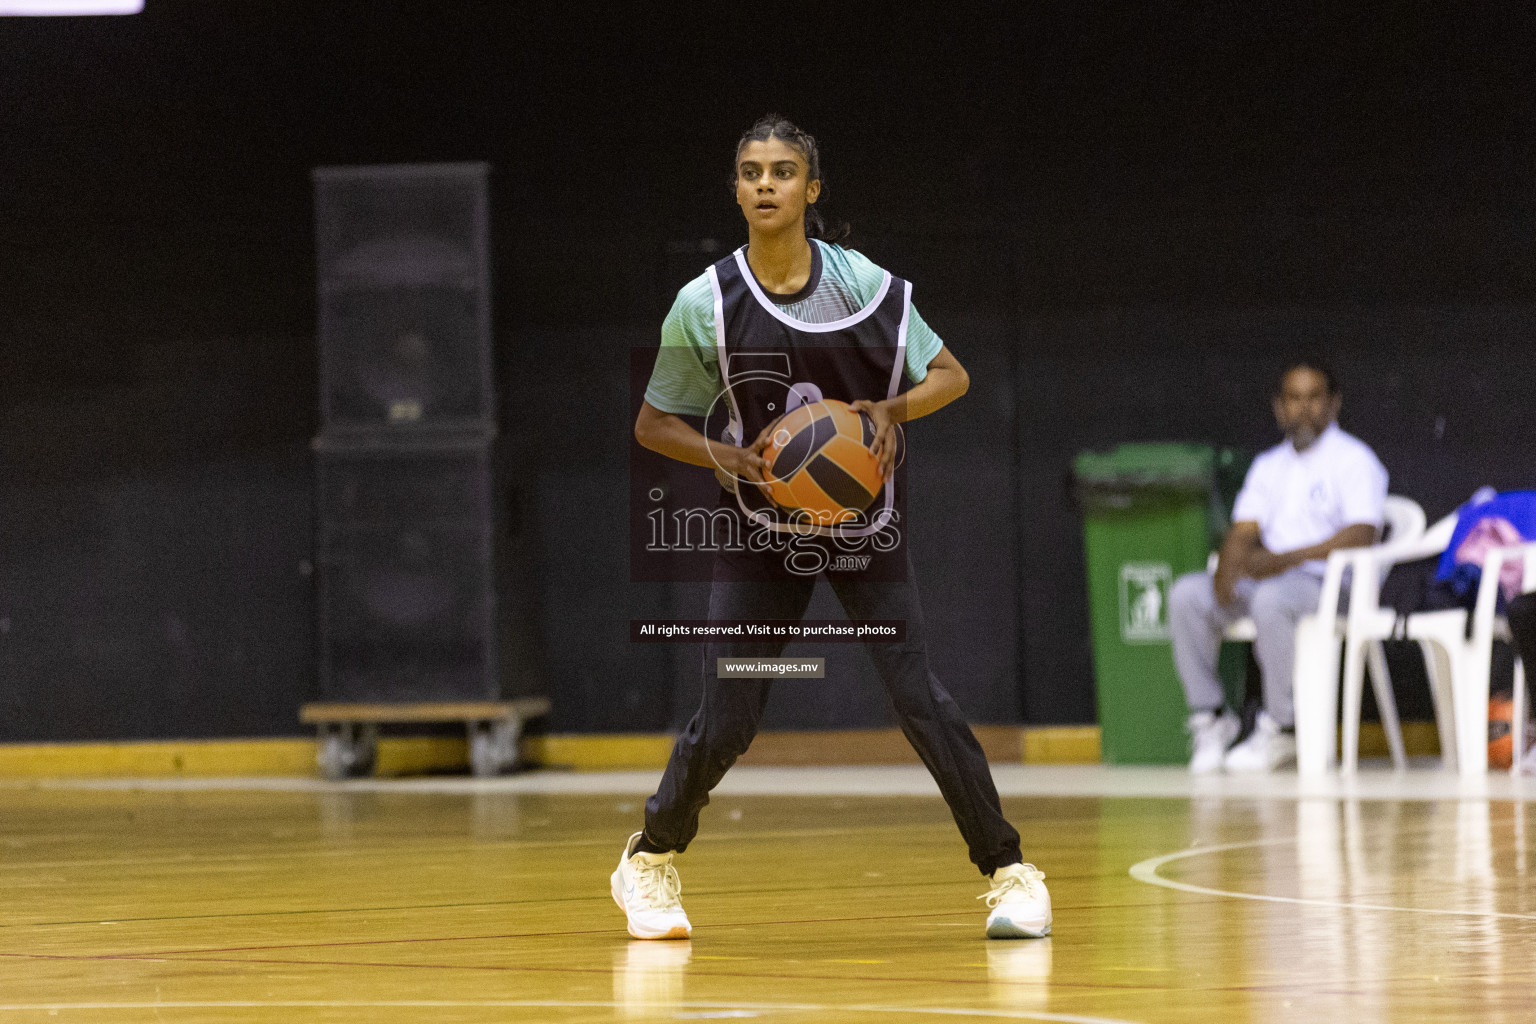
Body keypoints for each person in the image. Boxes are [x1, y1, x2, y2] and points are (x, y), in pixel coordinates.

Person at [613, 114, 1049, 941]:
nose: (765, 185)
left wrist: (891, 408)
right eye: (750, 172)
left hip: (862, 528)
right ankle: (649, 857)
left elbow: (951, 375)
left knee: (918, 698)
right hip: (760, 535)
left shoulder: (865, 288)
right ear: (737, 188)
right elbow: (651, 424)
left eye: (782, 172)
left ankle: (1011, 871)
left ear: (813, 189)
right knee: (730, 716)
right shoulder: (704, 302)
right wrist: (724, 454)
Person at [1170, 358, 1387, 773]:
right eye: (1294, 399)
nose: (1303, 408)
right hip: (1274, 579)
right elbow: (1246, 527)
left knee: (1271, 598)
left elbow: (1362, 533)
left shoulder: (1354, 459)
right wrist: (1227, 568)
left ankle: (1283, 727)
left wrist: (1280, 560)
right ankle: (1212, 717)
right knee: (1188, 595)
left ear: (1333, 404)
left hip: (1330, 586)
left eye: (1314, 398)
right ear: (1278, 407)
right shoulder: (1270, 465)